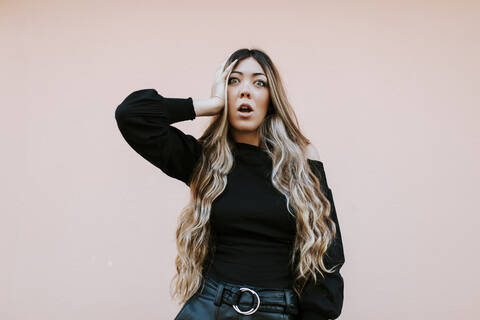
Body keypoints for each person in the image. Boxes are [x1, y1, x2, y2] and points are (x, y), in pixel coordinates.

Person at [114, 48, 345, 320]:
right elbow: (132, 114)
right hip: (208, 307)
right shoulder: (203, 160)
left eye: (259, 83)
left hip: (277, 312)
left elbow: (327, 255)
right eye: (234, 81)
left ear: (271, 100)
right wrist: (209, 104)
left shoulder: (302, 160)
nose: (245, 91)